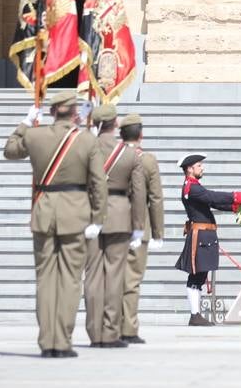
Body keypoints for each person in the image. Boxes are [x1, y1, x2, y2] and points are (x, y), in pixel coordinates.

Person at [3, 88, 108, 358]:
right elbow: (98, 183)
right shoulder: (86, 140)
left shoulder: (34, 135)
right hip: (75, 213)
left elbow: (10, 150)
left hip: (44, 211)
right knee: (70, 280)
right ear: (75, 113)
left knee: (45, 280)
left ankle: (47, 340)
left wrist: (25, 123)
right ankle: (62, 340)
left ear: (51, 112)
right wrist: (98, 217)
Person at [83, 104, 147, 348]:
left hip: (90, 213)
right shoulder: (130, 154)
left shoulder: (85, 147)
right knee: (115, 276)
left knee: (92, 277)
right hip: (120, 213)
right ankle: (110, 332)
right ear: (116, 124)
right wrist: (139, 226)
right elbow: (139, 193)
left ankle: (94, 332)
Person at [175, 153, 241, 326]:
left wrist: (235, 206)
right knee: (196, 276)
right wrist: (240, 196)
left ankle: (196, 314)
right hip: (199, 237)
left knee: (200, 276)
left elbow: (213, 203)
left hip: (204, 236)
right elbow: (212, 197)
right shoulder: (192, 188)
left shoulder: (194, 187)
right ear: (190, 169)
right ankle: (195, 315)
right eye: (199, 165)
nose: (202, 168)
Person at [119, 113, 164, 344]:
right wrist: (158, 232)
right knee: (132, 279)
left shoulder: (111, 156)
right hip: (140, 224)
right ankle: (128, 327)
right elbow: (155, 198)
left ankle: (109, 325)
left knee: (112, 276)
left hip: (112, 222)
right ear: (141, 135)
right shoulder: (147, 160)